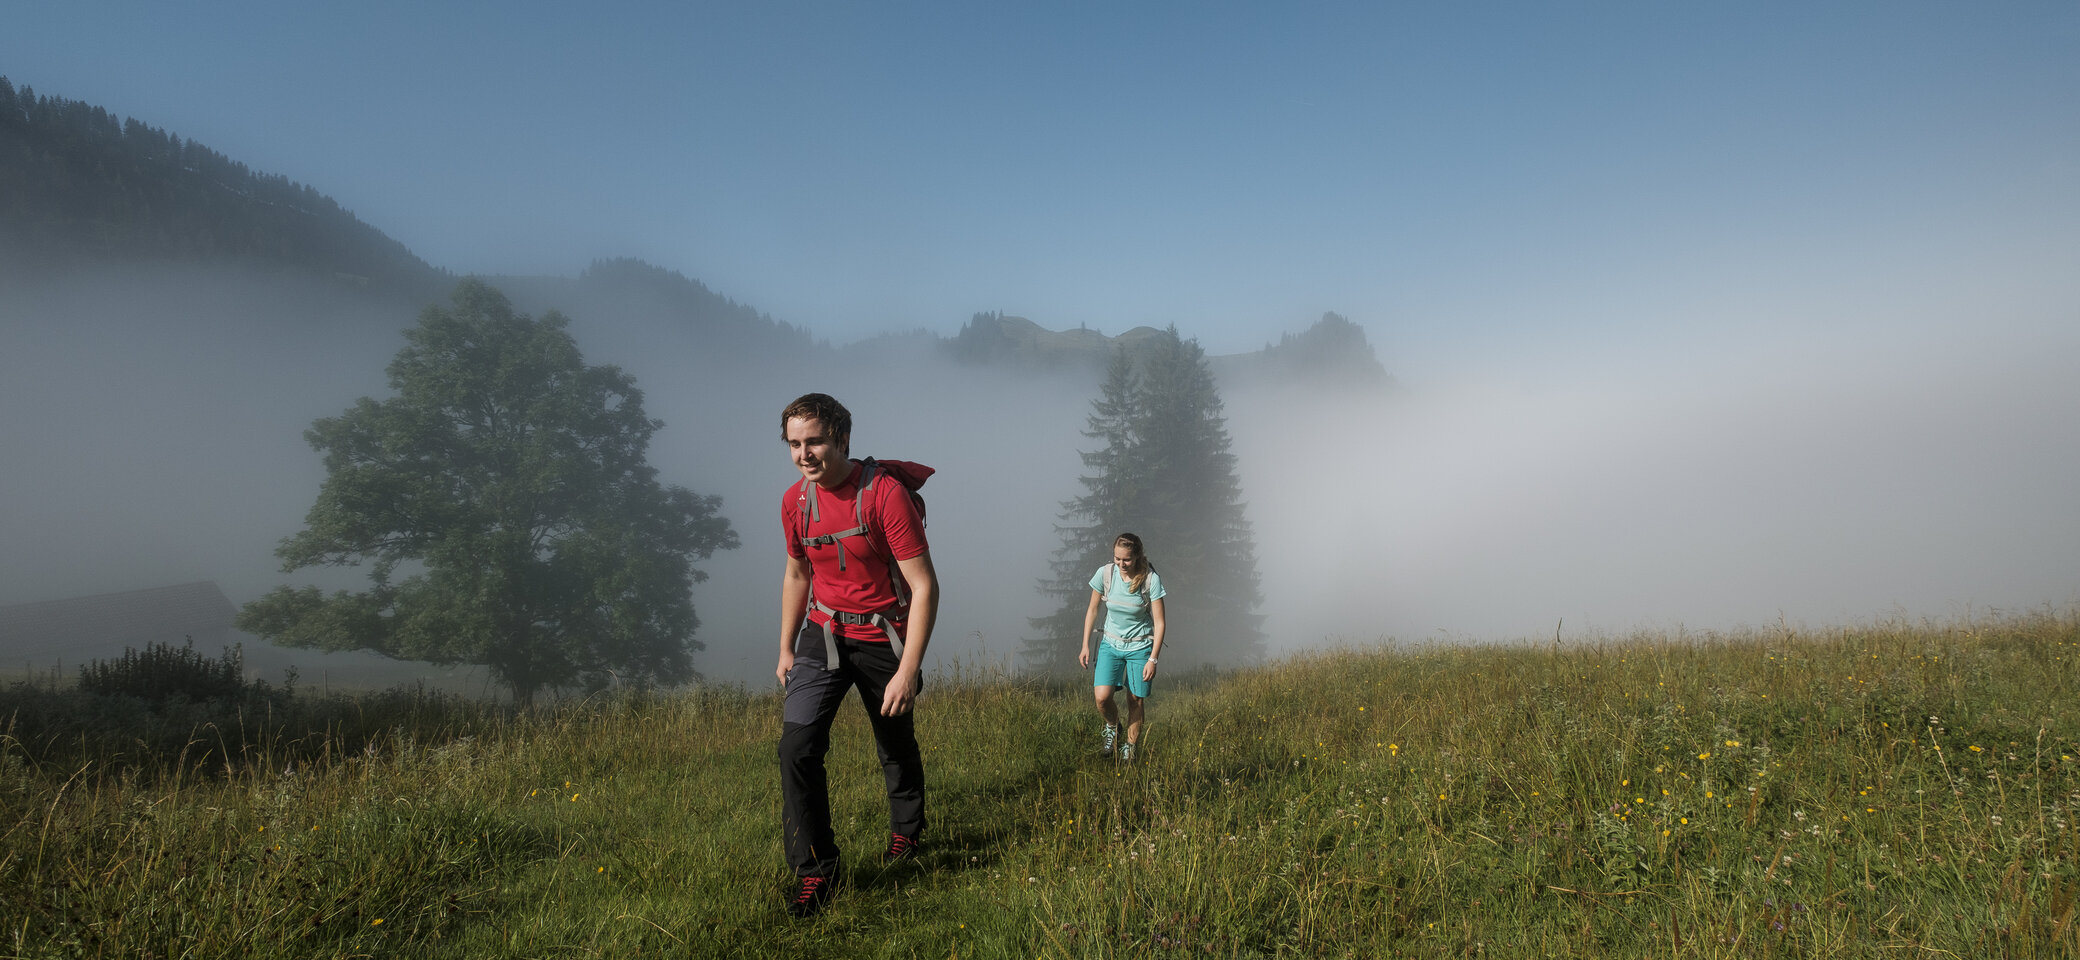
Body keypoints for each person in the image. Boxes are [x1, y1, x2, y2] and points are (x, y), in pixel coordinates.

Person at [774, 393, 939, 918]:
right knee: (796, 747)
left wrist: (908, 670)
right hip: (820, 635)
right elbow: (797, 574)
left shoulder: (883, 495)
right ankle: (816, 873)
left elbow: (924, 585)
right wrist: (784, 647)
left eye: (815, 441)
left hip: (881, 636)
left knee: (893, 738)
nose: (805, 454)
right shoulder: (796, 502)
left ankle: (907, 835)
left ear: (842, 438)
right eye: (795, 444)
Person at [1077, 532, 1165, 762]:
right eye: (1117, 558)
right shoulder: (1105, 574)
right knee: (1102, 697)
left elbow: (1160, 622)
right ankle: (1113, 727)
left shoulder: (1150, 580)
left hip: (1140, 647)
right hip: (1110, 644)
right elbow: (1093, 610)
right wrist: (1085, 644)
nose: (1121, 564)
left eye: (1126, 559)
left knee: (1135, 699)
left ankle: (1130, 747)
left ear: (1136, 556)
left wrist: (1153, 659)